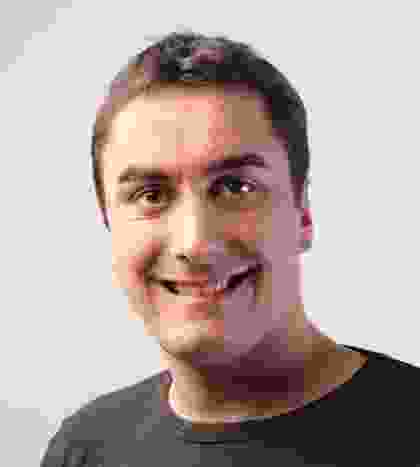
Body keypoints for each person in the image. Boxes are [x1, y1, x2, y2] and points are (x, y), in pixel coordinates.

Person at [40, 29, 420, 467]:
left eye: (235, 187)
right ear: (109, 224)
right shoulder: (86, 449)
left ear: (302, 215)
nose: (195, 243)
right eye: (151, 195)